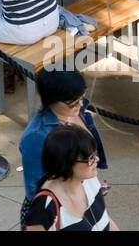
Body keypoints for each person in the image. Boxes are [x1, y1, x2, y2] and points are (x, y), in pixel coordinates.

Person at [18, 68, 108, 199]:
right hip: (59, 207)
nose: (80, 104)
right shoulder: (36, 136)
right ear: (52, 99)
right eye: (72, 102)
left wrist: (89, 186)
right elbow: (35, 189)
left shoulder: (76, 111)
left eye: (82, 97)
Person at [22, 125, 118, 231]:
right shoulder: (44, 208)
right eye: (90, 158)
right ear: (66, 162)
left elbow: (105, 219)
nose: (97, 159)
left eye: (95, 154)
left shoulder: (90, 181)